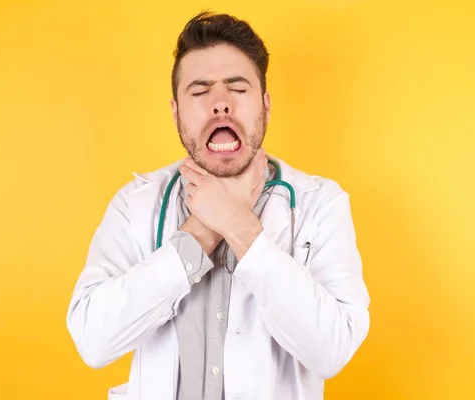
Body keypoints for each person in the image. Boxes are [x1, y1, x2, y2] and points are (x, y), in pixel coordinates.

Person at [66, 11, 370, 400]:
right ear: (176, 111)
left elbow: (333, 350)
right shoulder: (135, 205)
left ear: (265, 105)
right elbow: (93, 340)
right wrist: (200, 232)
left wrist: (240, 226)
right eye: (200, 90)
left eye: (237, 88)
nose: (221, 105)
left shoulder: (320, 204)